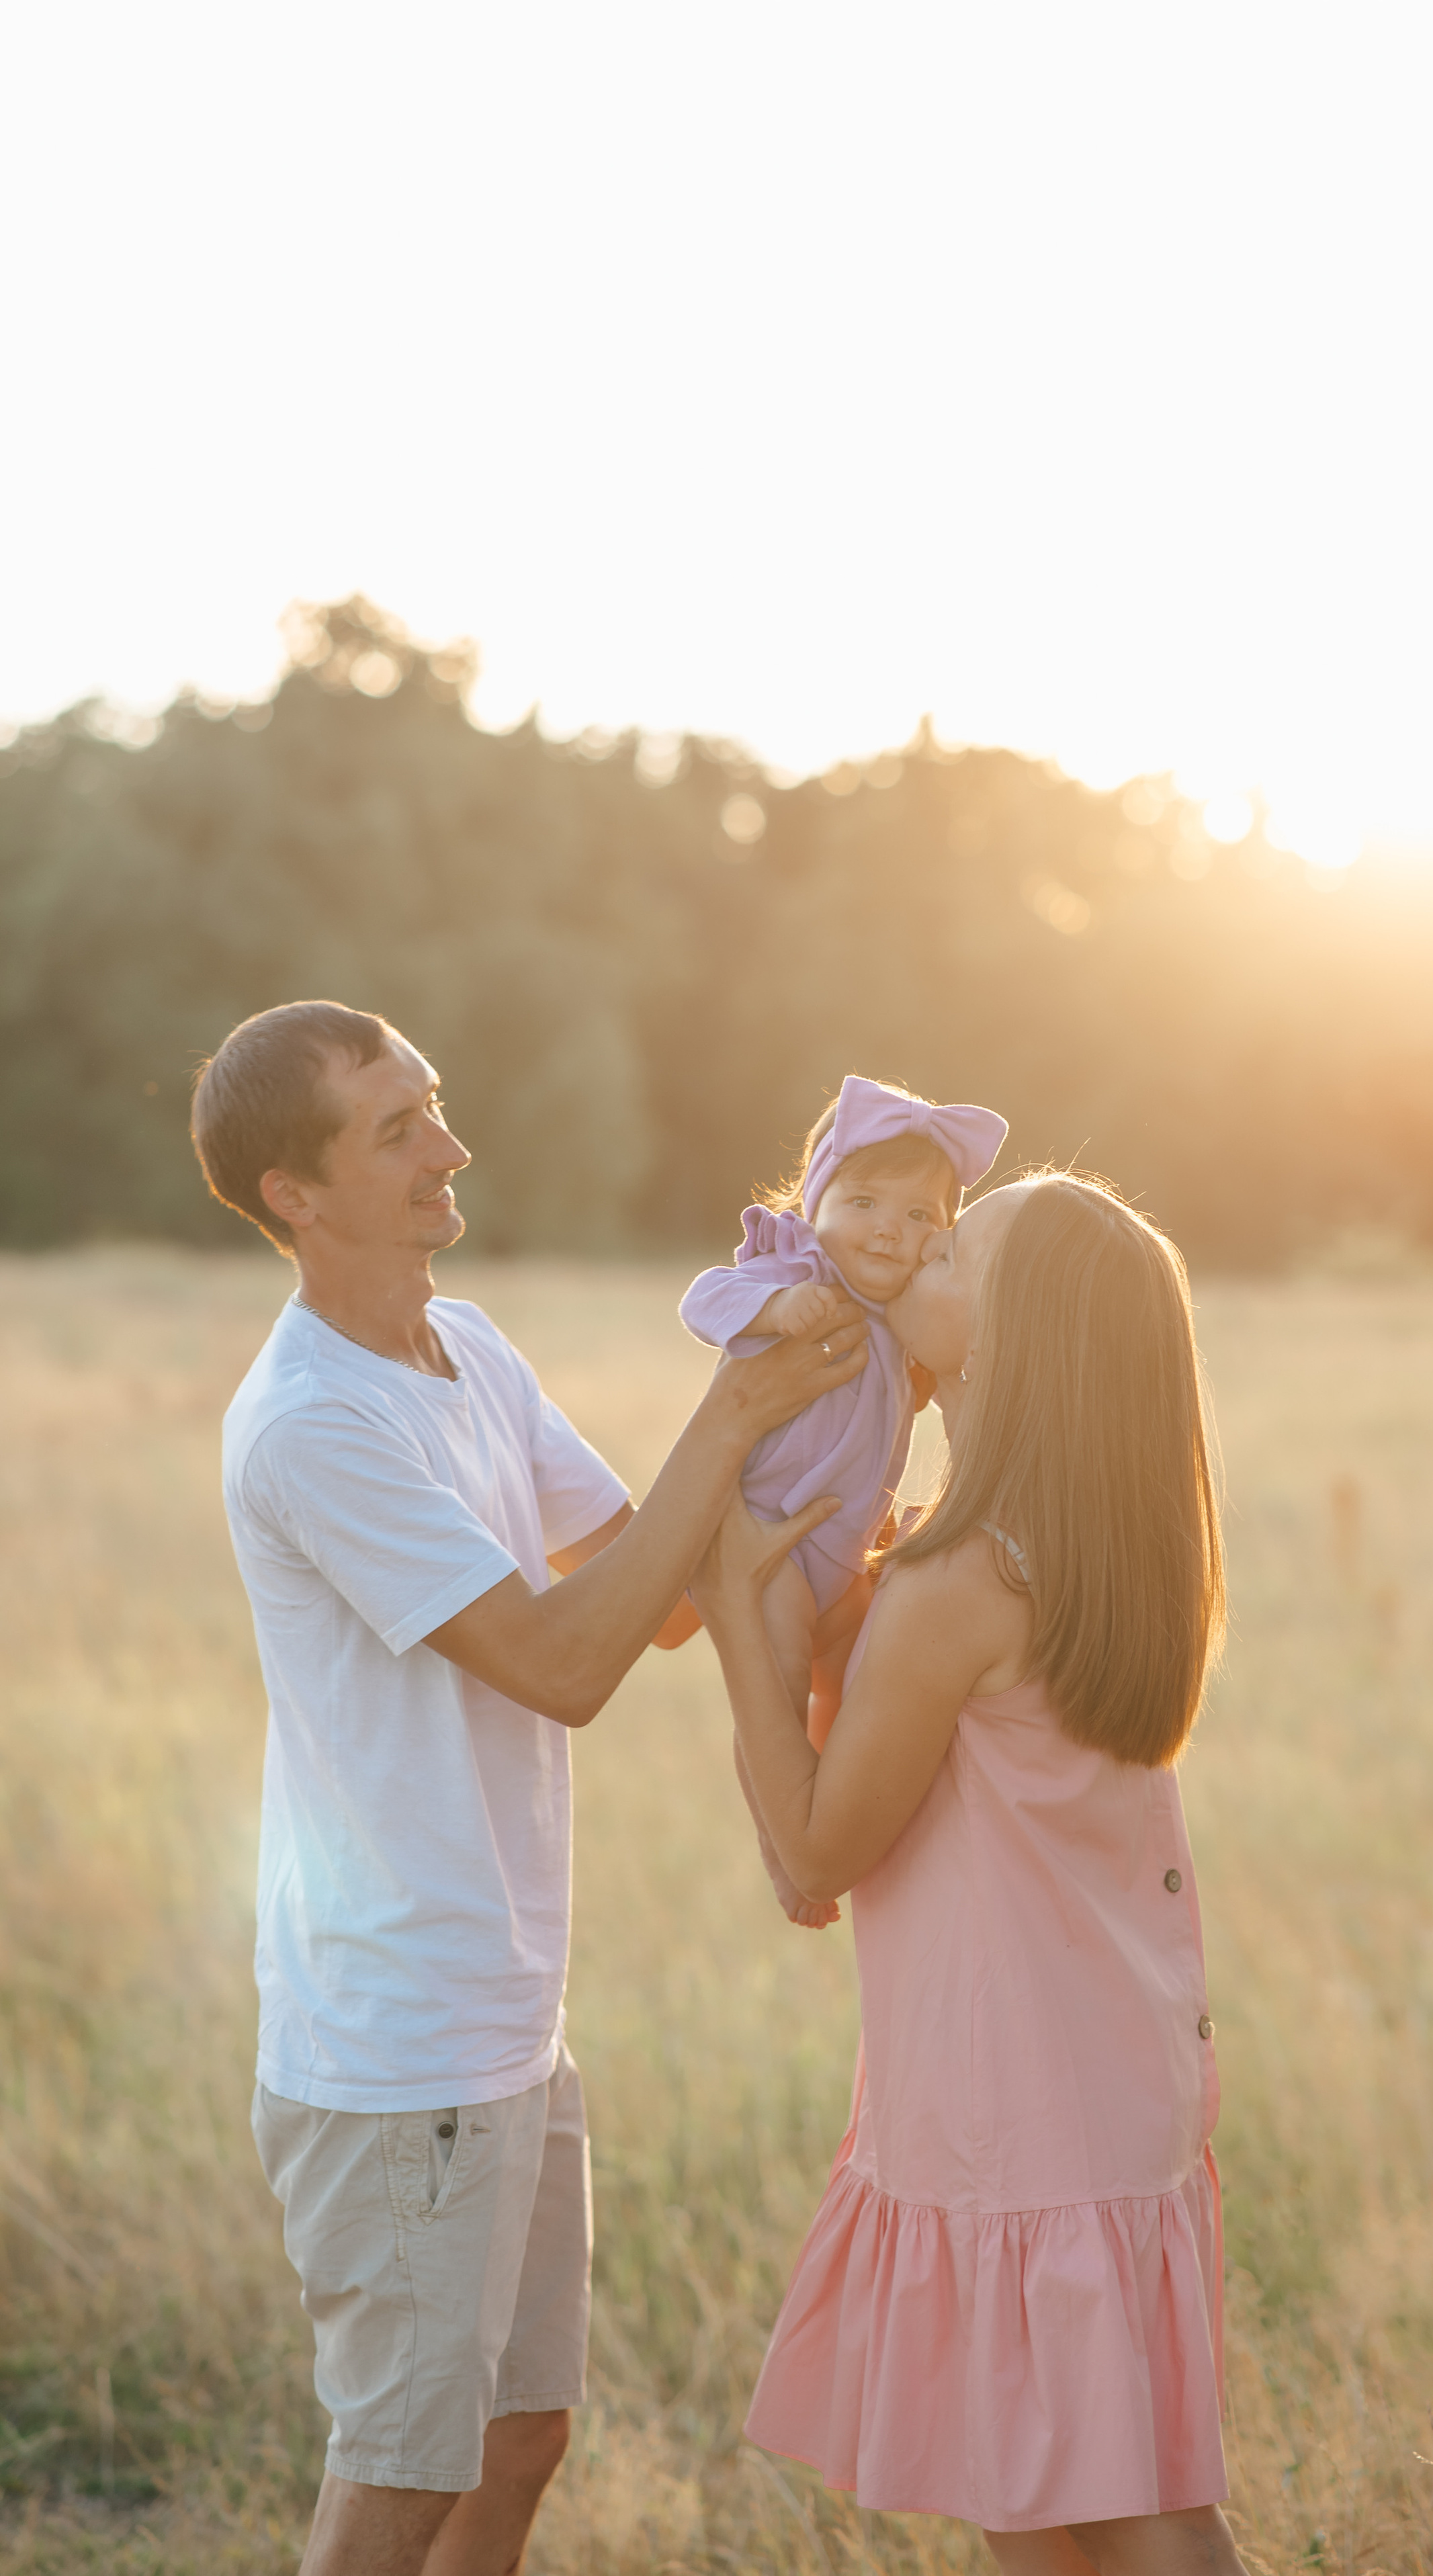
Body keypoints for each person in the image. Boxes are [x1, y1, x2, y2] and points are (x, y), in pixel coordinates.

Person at [191, 1000, 865, 2576]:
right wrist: (735, 1406)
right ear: (293, 1194)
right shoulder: (312, 1423)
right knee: (404, 2472)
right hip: (398, 2038)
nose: (451, 1148)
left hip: (502, 2009)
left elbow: (666, 1586)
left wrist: (839, 1412)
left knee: (519, 2439)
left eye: (434, 1106)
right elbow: (567, 1658)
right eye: (397, 1128)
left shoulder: (468, 1347)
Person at [691, 1174, 1242, 2576]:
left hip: (1020, 2102)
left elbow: (814, 1854)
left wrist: (736, 1618)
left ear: (1002, 1344)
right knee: (1061, 2490)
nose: (910, 1255)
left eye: (948, 1254)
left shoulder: (958, 1586)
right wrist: (824, 1628)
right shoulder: (1080, 1552)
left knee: (1121, 2513)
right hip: (1101, 2077)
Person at [679, 1075, 1006, 1925]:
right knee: (777, 1691)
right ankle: (784, 1846)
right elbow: (703, 1299)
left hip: (844, 1556)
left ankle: (836, 1805)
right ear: (814, 1198)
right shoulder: (796, 1265)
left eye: (919, 1218)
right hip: (772, 1545)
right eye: (863, 1202)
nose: (889, 1233)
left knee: (857, 1687)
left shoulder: (899, 1306)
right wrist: (777, 1306)